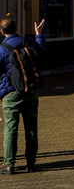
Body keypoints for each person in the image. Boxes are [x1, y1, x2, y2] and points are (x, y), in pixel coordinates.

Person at [0, 17, 46, 174]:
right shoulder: (29, 42)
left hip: (11, 93)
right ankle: (31, 164)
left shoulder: (2, 49)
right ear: (16, 28)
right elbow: (43, 52)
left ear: (2, 31)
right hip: (31, 91)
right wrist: (38, 34)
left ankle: (9, 165)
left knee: (11, 128)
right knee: (31, 128)